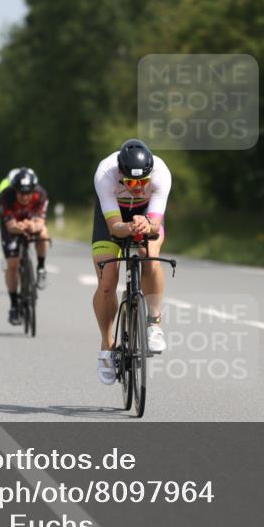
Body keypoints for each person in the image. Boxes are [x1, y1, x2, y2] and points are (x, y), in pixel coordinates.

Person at [91, 139, 172, 385]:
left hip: (147, 214)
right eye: (131, 182)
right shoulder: (105, 173)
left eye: (143, 182)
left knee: (150, 256)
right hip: (115, 217)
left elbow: (156, 222)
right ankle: (107, 347)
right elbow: (114, 227)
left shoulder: (160, 172)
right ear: (120, 175)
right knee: (107, 282)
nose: (138, 187)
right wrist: (127, 227)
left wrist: (147, 224)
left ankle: (154, 323)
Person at [0, 169, 49, 325]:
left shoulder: (41, 194)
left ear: (34, 190)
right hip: (12, 226)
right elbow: (10, 225)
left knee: (43, 234)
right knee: (12, 264)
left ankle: (40, 267)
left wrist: (32, 227)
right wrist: (19, 228)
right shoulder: (6, 196)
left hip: (31, 222)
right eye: (21, 193)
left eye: (28, 193)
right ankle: (14, 305)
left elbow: (40, 223)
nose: (25, 196)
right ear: (15, 190)